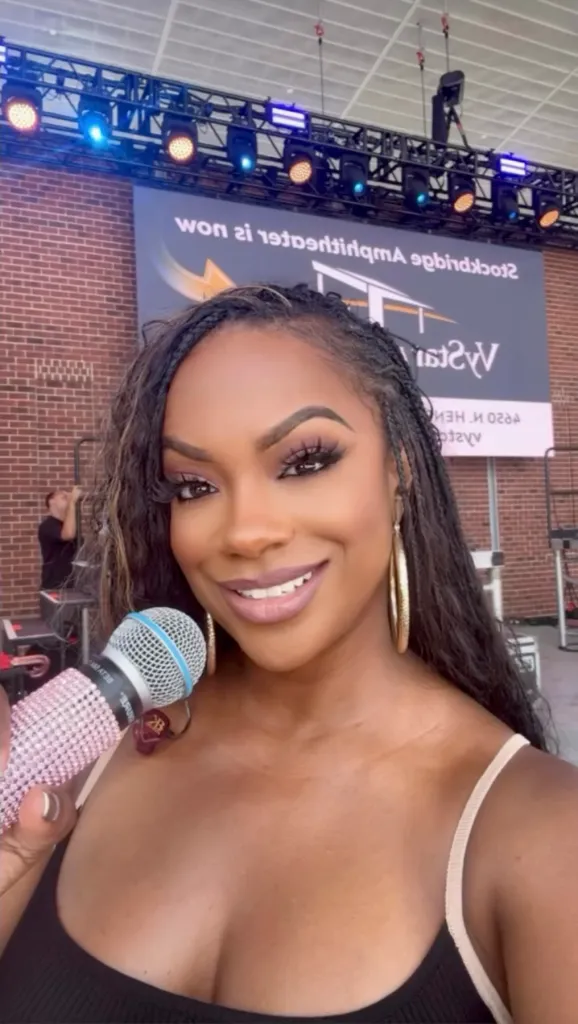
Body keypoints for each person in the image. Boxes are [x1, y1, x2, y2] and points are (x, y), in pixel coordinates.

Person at [0, 284, 577, 1024]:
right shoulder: (88, 759)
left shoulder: (542, 838)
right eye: (195, 485)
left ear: (399, 466)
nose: (245, 531)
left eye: (305, 462)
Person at [38, 488, 82, 590]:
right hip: (55, 585)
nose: (68, 497)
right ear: (51, 501)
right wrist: (72, 503)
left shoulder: (70, 526)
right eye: (63, 496)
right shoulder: (47, 525)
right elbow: (68, 535)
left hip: (74, 584)